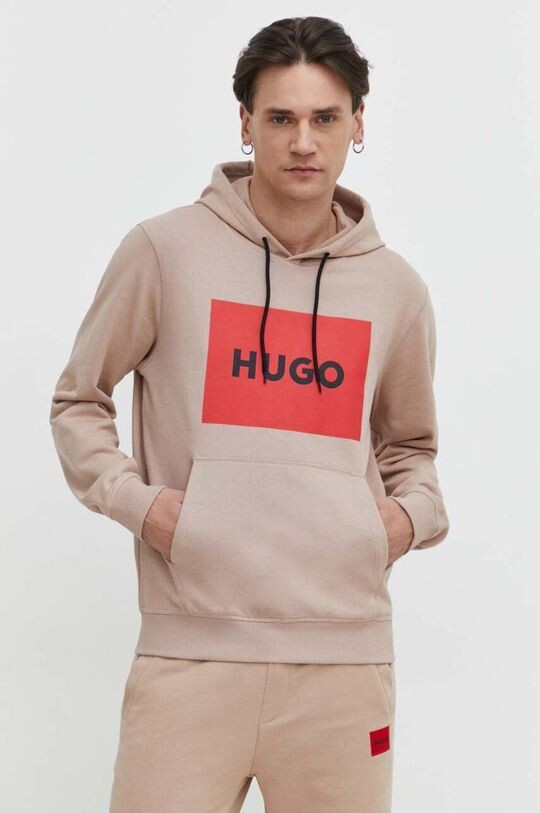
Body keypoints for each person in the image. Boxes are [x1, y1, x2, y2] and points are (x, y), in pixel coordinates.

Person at [49, 15, 450, 813]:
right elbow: (78, 400)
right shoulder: (164, 251)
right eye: (280, 117)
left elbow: (412, 446)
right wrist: (146, 507)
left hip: (342, 666)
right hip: (189, 659)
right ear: (245, 122)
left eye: (325, 118)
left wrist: (404, 520)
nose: (303, 141)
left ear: (357, 124)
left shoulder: (395, 289)